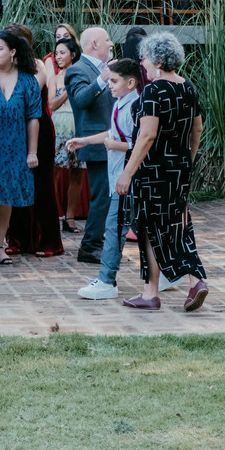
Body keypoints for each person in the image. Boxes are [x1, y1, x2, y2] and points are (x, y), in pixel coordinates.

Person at [115, 33, 209, 312]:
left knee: (148, 228)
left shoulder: (154, 91)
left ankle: (152, 292)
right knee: (177, 224)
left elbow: (146, 136)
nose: (141, 63)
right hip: (178, 168)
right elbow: (197, 129)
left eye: (144, 58)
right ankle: (190, 280)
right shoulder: (187, 88)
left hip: (152, 170)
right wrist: (186, 161)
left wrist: (127, 173)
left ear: (157, 60)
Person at [70, 58, 142, 300]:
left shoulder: (134, 107)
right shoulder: (120, 103)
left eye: (114, 80)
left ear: (130, 82)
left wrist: (114, 145)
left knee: (114, 229)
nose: (109, 85)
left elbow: (138, 143)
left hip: (125, 179)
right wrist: (86, 140)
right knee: (135, 228)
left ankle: (106, 279)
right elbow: (111, 133)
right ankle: (163, 275)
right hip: (118, 177)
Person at [0, 29, 42, 269]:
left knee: (6, 198)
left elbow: (33, 117)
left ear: (13, 52)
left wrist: (32, 152)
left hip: (15, 145)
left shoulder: (27, 79)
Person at [3, 24, 63, 258]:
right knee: (16, 183)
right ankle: (18, 238)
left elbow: (27, 94)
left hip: (40, 128)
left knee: (41, 184)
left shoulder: (37, 66)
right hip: (14, 130)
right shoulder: (4, 68)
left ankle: (48, 241)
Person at [66, 26, 116, 264]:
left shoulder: (105, 68)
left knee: (111, 194)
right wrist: (102, 79)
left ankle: (102, 242)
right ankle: (89, 246)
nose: (111, 44)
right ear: (95, 44)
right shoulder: (77, 70)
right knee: (102, 196)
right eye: (107, 40)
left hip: (113, 140)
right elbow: (80, 99)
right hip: (95, 142)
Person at [46, 24, 86, 233]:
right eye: (57, 53)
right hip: (59, 125)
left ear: (73, 53)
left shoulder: (81, 73)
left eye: (63, 53)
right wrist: (67, 92)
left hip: (78, 124)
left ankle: (70, 217)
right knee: (54, 171)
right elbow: (51, 104)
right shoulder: (54, 78)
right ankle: (53, 213)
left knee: (78, 172)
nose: (58, 57)